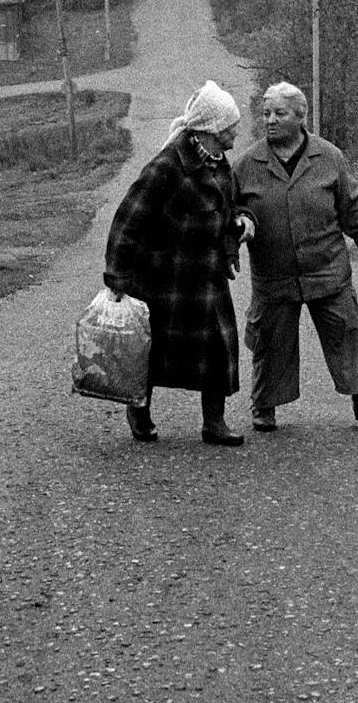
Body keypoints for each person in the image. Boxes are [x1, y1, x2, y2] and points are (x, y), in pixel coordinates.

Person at [232, 81, 358, 431]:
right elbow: (230, 209)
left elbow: (354, 204)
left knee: (346, 332)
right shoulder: (247, 164)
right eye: (266, 113)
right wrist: (237, 229)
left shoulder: (328, 156)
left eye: (280, 113)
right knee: (270, 341)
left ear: (300, 116)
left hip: (327, 269)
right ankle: (264, 404)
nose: (270, 120)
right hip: (274, 274)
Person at [102, 80, 248, 447]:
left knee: (218, 350)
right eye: (230, 125)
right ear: (212, 129)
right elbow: (128, 219)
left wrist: (232, 245)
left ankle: (214, 423)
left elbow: (229, 212)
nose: (236, 131)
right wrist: (117, 275)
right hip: (164, 279)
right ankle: (139, 411)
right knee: (150, 351)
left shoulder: (220, 164)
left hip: (208, 279)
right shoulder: (167, 166)